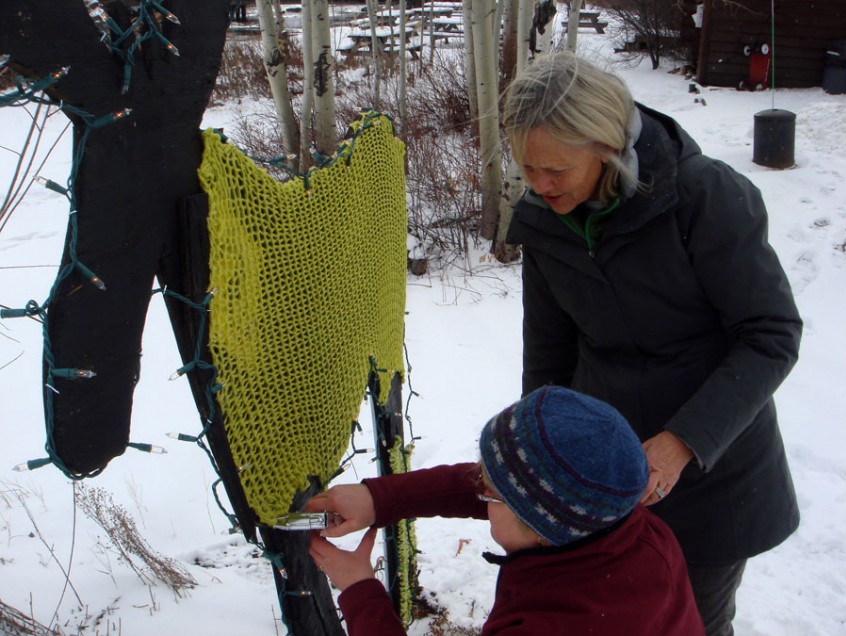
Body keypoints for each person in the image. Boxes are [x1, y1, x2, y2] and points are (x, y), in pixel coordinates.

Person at [501, 50, 802, 636]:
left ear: (606, 147)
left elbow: (770, 334)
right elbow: (548, 357)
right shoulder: (543, 218)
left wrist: (682, 443)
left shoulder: (703, 195)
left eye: (556, 169)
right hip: (603, 476)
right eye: (526, 167)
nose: (538, 185)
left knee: (692, 623)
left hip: (713, 470)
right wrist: (534, 455)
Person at [307, 385, 705, 635]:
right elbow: (505, 490)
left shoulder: (550, 625)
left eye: (490, 494)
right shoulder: (630, 531)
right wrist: (379, 499)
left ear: (540, 526)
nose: (478, 489)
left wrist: (360, 593)